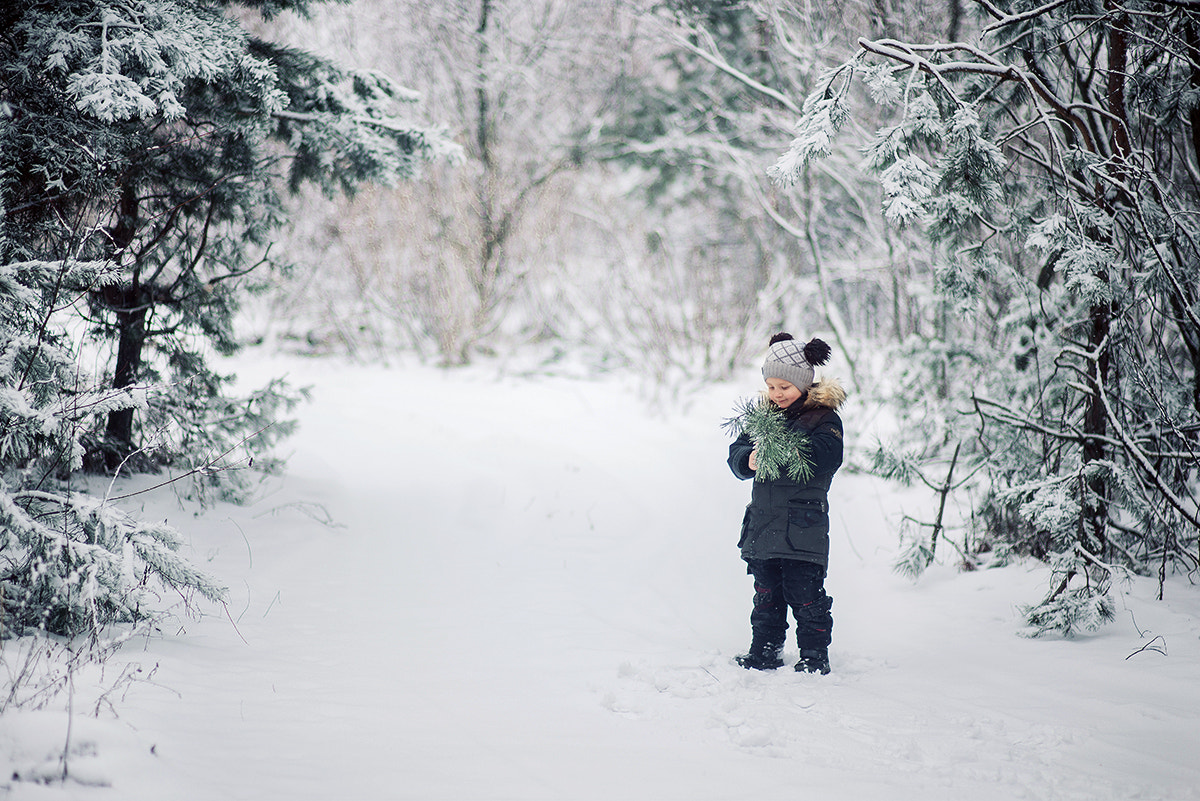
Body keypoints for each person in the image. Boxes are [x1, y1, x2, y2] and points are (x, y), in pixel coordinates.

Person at [727, 332, 845, 674]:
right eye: (771, 386)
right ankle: (764, 651)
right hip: (763, 524)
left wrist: (780, 449)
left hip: (802, 528)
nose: (777, 394)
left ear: (804, 384)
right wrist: (746, 459)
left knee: (806, 595)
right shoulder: (763, 417)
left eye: (784, 387)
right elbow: (737, 452)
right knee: (766, 596)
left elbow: (826, 456)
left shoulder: (823, 419)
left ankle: (814, 655)